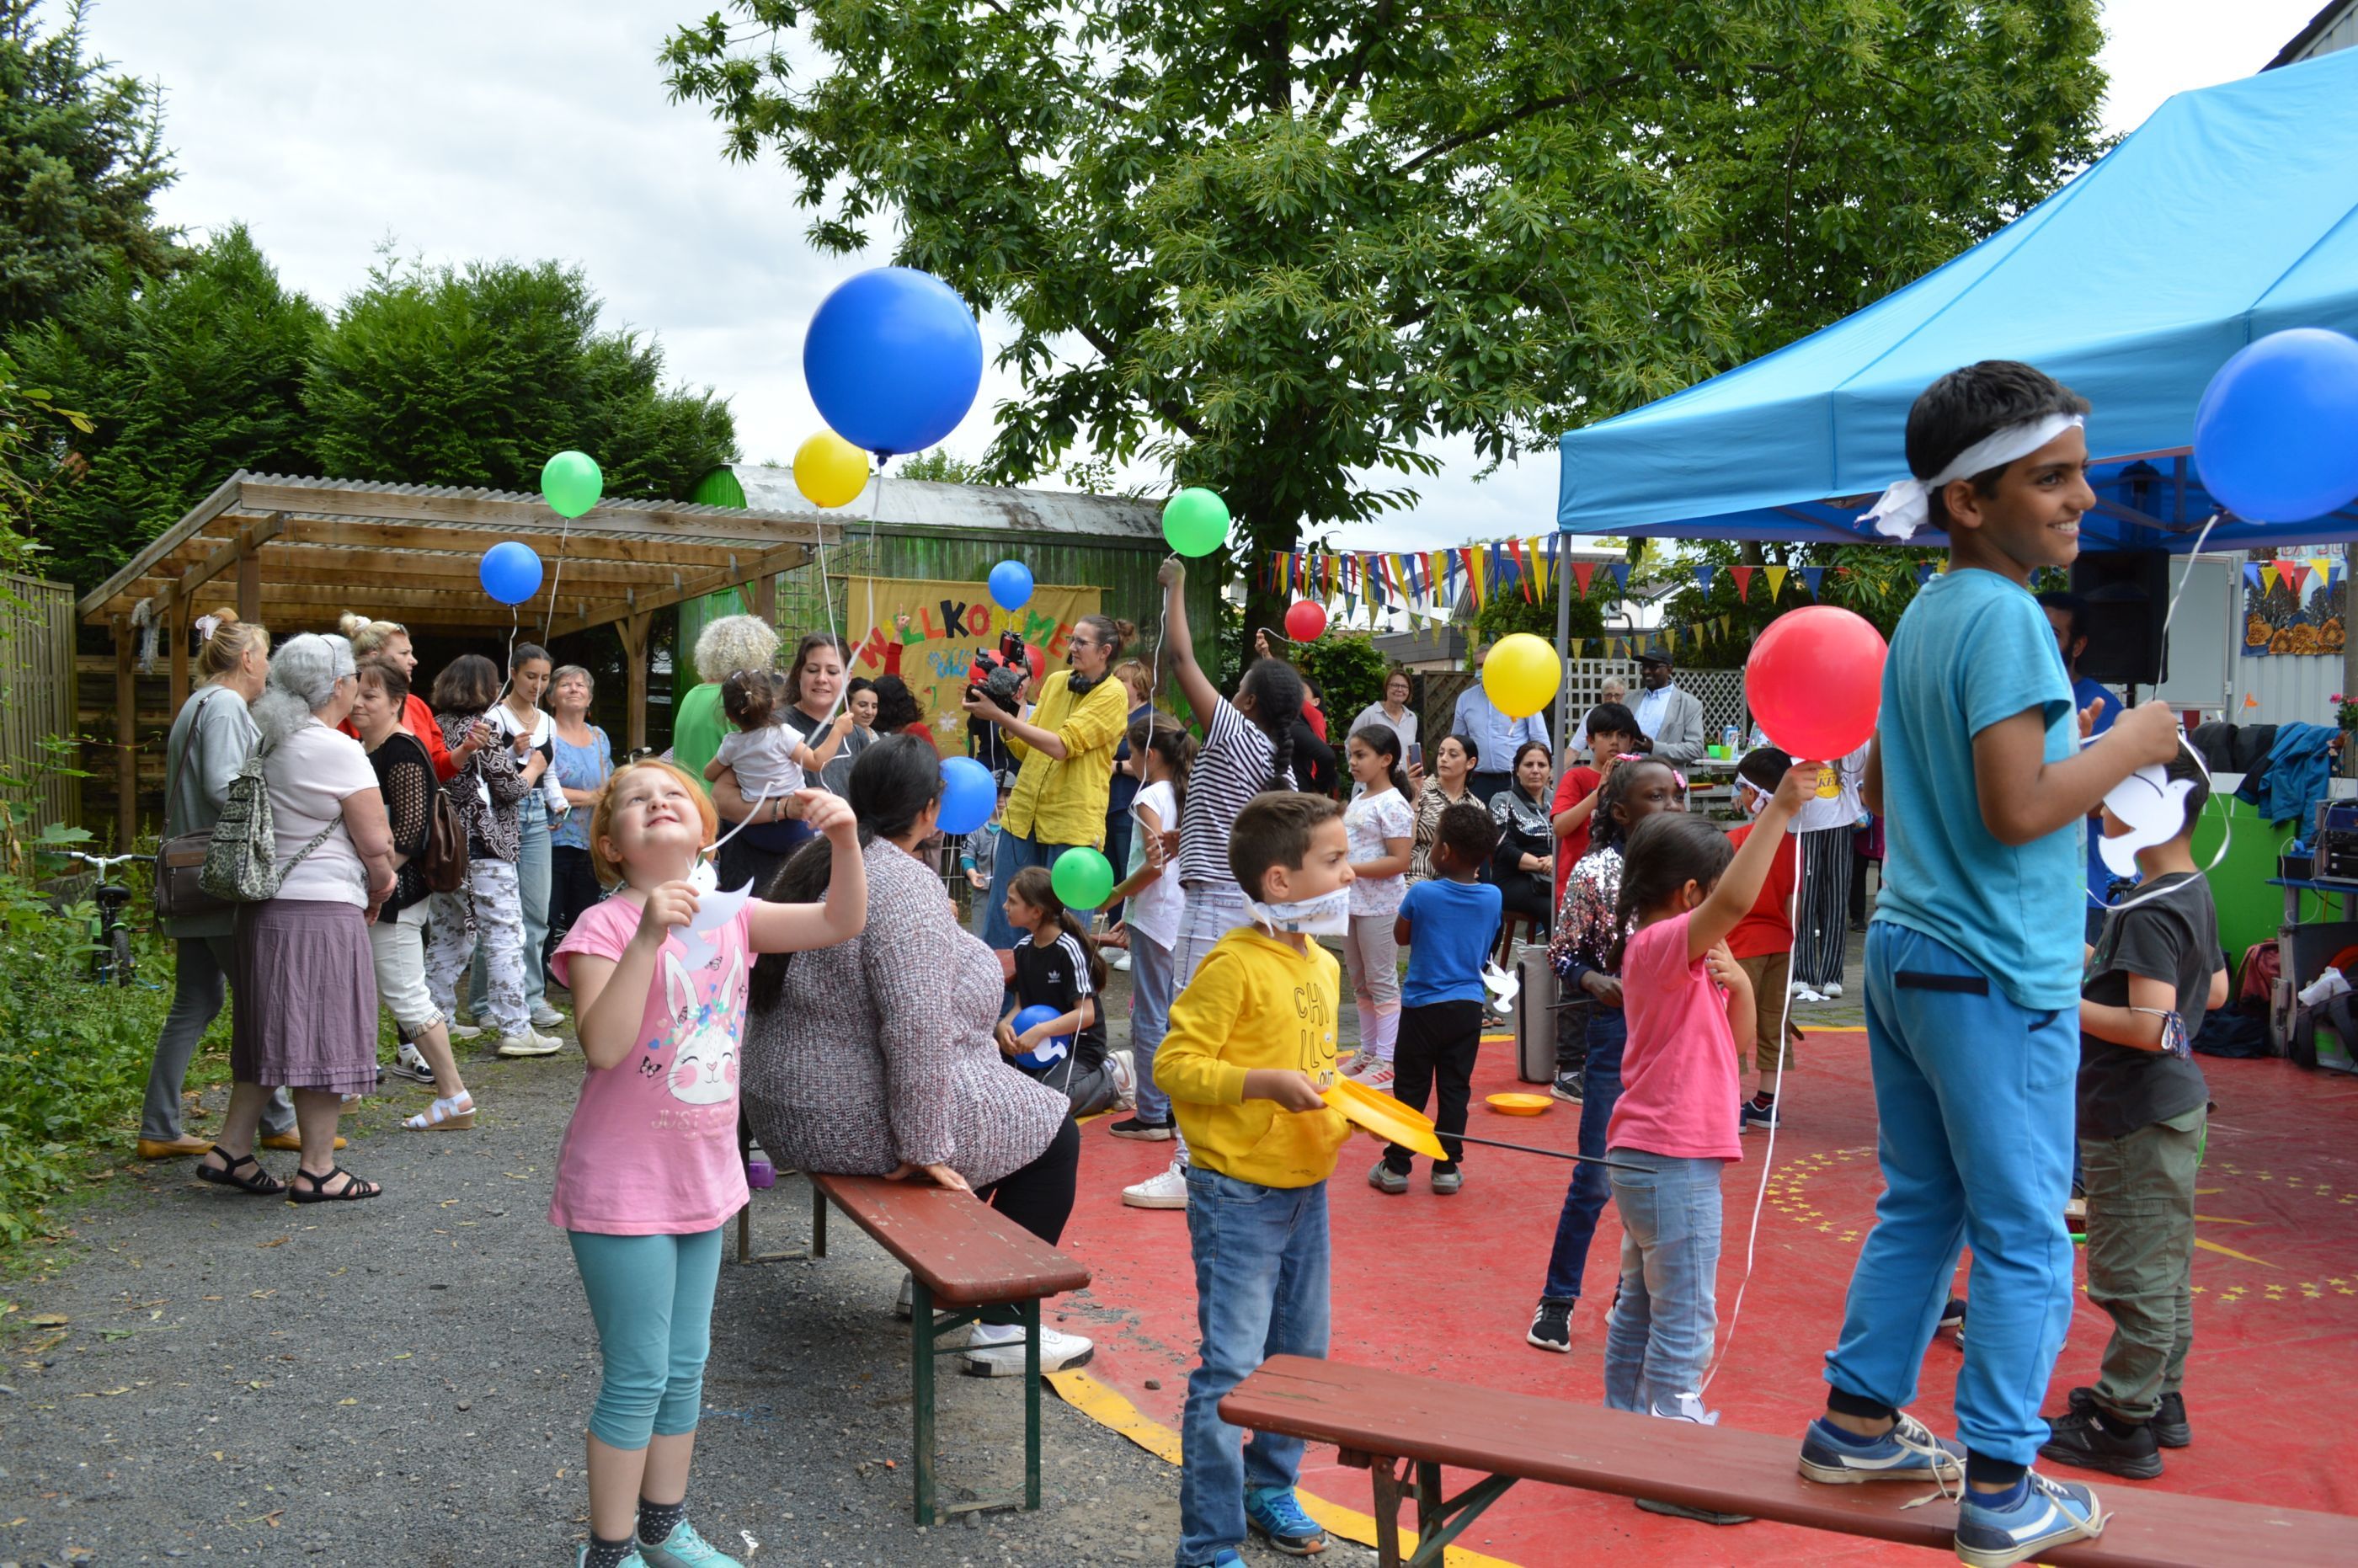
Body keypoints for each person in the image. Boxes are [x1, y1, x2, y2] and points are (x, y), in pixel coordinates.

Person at [1801, 360, 2179, 1567]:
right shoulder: (2013, 618)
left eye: (2079, 475)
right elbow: (2020, 807)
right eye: (2051, 479)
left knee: (1923, 1197)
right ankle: (2005, 1486)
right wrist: (2125, 740)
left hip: (1911, 953)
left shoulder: (1928, 615)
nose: (2081, 500)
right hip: (1993, 974)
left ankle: (1858, 1418)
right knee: (2024, 1229)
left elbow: (1877, 786)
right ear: (1969, 500)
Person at [549, 760, 867, 1568]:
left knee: (685, 1366)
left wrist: (845, 837)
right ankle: (608, 1552)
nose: (657, 804)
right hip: (621, 1188)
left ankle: (663, 1531)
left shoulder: (734, 915)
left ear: (703, 831)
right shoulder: (604, 929)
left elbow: (840, 922)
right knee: (637, 1374)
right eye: (634, 801)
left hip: (704, 1179)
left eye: (674, 799)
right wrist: (652, 932)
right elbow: (606, 1046)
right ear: (613, 845)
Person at [739, 735, 1097, 1376]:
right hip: (841, 1113)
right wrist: (925, 1147)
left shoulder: (818, 860)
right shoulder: (903, 884)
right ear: (932, 809)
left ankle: (937, 1282)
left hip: (783, 1099)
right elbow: (916, 1028)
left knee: (997, 1111)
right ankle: (1003, 1329)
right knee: (1053, 1132)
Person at [1156, 792, 1357, 1568]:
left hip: (1309, 1186)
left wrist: (1348, 1102)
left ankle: (1271, 1485)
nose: (1349, 873)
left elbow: (1316, 1066)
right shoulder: (1233, 962)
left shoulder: (1324, 963)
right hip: (1237, 1194)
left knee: (1299, 1360)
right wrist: (1264, 1085)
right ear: (1280, 882)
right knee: (1231, 1370)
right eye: (1333, 862)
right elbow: (1175, 1066)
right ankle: (1207, 1543)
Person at [1600, 771, 1807, 1431]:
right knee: (1686, 1312)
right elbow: (1741, 899)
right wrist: (1778, 808)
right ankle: (1673, 1446)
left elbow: (1734, 1047)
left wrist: (1742, 986)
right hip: (1671, 1159)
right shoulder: (1662, 944)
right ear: (1692, 894)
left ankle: (1627, 1427)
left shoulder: (1688, 960)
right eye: (1712, 894)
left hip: (1658, 1156)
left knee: (1643, 1302)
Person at [2037, 749, 2223, 1481]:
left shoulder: (2149, 908)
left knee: (2131, 1275)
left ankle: (2122, 1422)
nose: (2097, 807)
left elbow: (2155, 1026)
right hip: (2174, 1109)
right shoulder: (2187, 890)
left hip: (2136, 1113)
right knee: (2165, 1265)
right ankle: (2159, 1399)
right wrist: (2095, 957)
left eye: (2110, 795)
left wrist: (2062, 1003)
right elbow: (2210, 991)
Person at [1126, 557, 1304, 1211]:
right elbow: (1252, 835)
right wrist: (1189, 837)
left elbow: (1179, 660)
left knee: (1192, 1033)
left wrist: (1174, 586)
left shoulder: (1235, 734)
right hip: (1253, 908)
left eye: (1239, 686)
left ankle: (1187, 1164)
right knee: (1233, 1034)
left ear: (1249, 700)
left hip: (1212, 909)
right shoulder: (1279, 769)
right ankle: (1220, 1153)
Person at [194, 634, 393, 1205]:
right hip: (321, 912)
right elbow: (376, 839)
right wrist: (382, 881)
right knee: (324, 1036)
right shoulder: (337, 749)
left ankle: (231, 1148)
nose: (357, 684)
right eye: (353, 675)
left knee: (271, 1031)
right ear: (337, 685)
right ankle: (319, 1168)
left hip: (267, 908)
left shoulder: (270, 740)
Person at [1528, 756, 1685, 1352]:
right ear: (1620, 812)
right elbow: (1562, 954)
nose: (1670, 806)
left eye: (1674, 795)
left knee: (1662, 1174)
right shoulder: (1596, 872)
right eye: (1654, 797)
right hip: (1616, 1034)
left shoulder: (1689, 870)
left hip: (1675, 1035)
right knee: (1596, 1173)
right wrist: (1596, 981)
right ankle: (1557, 1297)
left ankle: (1634, 1302)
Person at [142, 609, 298, 1159]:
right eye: (266, 658)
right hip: (223, 876)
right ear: (248, 658)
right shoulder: (229, 704)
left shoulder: (199, 701)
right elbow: (221, 785)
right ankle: (276, 1120)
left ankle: (159, 1127)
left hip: (192, 875)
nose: (269, 672)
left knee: (196, 1000)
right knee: (261, 999)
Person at [966, 611, 1134, 969]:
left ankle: (1064, 1017)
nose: (1071, 647)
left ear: (1105, 651)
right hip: (1023, 816)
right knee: (1006, 922)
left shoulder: (1114, 694)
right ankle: (998, 1015)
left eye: (1080, 642)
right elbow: (1026, 748)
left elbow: (1061, 745)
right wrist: (1012, 712)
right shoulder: (1058, 682)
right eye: (1072, 639)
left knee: (1064, 932)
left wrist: (1001, 716)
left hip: (1072, 825)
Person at [350, 659, 477, 1131]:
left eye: (372, 696)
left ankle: (453, 1096)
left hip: (397, 894)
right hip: (382, 892)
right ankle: (344, 1088)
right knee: (372, 987)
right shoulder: (369, 748)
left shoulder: (401, 750)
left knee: (407, 995)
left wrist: (378, 886)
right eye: (357, 693)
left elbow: (410, 833)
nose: (360, 703)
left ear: (397, 702)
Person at [425, 654, 561, 1059]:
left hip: (447, 850)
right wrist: (536, 764)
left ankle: (437, 1019)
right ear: (487, 687)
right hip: (487, 847)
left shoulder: (437, 726)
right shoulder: (478, 730)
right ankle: (515, 1028)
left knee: (451, 935)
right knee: (505, 934)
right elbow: (512, 790)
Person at [1372, 803, 1501, 1197]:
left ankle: (1396, 1167)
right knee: (1455, 1088)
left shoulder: (1422, 893)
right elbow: (1488, 943)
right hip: (1467, 1007)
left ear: (1443, 851)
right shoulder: (1493, 896)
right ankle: (1447, 1167)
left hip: (1422, 1006)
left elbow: (1401, 936)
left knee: (1410, 1088)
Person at [707, 630, 857, 893]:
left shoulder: (855, 734)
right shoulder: (770, 727)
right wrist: (785, 808)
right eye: (813, 669)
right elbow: (721, 798)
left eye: (833, 671)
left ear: (848, 678)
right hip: (763, 882)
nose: (822, 678)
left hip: (826, 884)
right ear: (798, 673)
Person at [1106, 714, 1192, 1141]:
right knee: (1173, 1013)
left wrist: (1115, 895)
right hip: (1176, 916)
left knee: (1150, 1016)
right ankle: (1173, 1106)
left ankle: (1154, 1113)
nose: (1129, 760)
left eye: (1132, 753)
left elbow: (1154, 863)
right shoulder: (1184, 791)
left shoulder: (1150, 796)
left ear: (1150, 755)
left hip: (1157, 920)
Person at [472, 643, 564, 1032]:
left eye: (544, 678)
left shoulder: (547, 721)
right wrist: (512, 751)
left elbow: (549, 771)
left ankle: (531, 997)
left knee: (536, 913)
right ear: (513, 672)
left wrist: (558, 804)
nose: (537, 685)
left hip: (536, 812)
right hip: (501, 815)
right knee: (497, 913)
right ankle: (483, 1002)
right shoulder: (494, 717)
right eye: (531, 676)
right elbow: (486, 774)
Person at [997, 866, 1127, 1117]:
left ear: (1036, 911)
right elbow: (1019, 1005)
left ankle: (1111, 1076)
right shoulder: (1023, 949)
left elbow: (1086, 1015)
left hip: (1079, 1048)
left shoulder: (1067, 949)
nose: (1005, 906)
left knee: (1048, 1105)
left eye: (1012, 901)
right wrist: (1004, 1027)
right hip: (1036, 1045)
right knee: (1005, 1094)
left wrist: (1041, 1031)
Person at [2040, 591, 2128, 941]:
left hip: (2076, 887)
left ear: (2078, 647)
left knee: (2073, 993)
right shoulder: (2011, 696)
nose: (2041, 642)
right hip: (2013, 882)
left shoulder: (2101, 707)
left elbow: (2100, 806)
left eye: (2054, 634)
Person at [1726, 746, 1803, 1133]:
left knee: (1732, 1022)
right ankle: (1766, 1102)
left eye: (1742, 788)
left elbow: (1722, 900)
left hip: (1740, 944)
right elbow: (1795, 906)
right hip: (1781, 943)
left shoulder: (1734, 841)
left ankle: (1729, 1104)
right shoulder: (1794, 847)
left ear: (1755, 796)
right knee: (1775, 1021)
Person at [1336, 723, 1414, 1088]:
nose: (1353, 762)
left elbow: (1400, 860)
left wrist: (1349, 868)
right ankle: (1368, 1052)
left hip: (1380, 906)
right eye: (1351, 755)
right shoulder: (1361, 798)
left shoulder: (1394, 803)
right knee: (1360, 981)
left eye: (1361, 755)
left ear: (1386, 760)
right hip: (1353, 902)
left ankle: (1387, 1059)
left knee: (1381, 980)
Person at [335, 613, 466, 781]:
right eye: (404, 653)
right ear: (375, 658)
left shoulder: (416, 705)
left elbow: (434, 767)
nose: (414, 661)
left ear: (396, 703)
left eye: (370, 697)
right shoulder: (344, 707)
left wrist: (466, 749)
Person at [547, 664, 614, 962]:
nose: (574, 689)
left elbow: (609, 783)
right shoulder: (544, 733)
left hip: (590, 841)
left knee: (583, 915)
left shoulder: (599, 736)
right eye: (565, 684)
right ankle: (537, 983)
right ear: (551, 697)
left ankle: (577, 976)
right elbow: (542, 786)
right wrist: (590, 797)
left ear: (589, 699)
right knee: (546, 916)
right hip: (552, 840)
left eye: (581, 685)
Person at [1550, 701, 1640, 910]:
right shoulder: (1577, 777)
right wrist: (1600, 792)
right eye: (1606, 735)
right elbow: (1560, 827)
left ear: (1632, 741)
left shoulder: (1639, 779)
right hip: (1580, 886)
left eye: (1622, 736)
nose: (1614, 742)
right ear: (1590, 741)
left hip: (1628, 883)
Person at [1102, 658, 1157, 946]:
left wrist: (1117, 767)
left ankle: (1131, 938)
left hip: (1131, 806)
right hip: (1106, 805)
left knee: (1130, 872)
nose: (1115, 685)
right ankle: (1113, 936)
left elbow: (1155, 765)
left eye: (1121, 681)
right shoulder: (1113, 715)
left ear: (1138, 686)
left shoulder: (1149, 718)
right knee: (1109, 870)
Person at [1452, 644, 1548, 803]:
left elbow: (1539, 738)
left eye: (1487, 664)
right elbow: (1458, 742)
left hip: (1515, 779)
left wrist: (1544, 773)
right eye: (1479, 665)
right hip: (1479, 781)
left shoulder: (1521, 695)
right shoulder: (1465, 699)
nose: (1482, 669)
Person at [1489, 740, 1557, 943]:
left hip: (1552, 875)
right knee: (1551, 906)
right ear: (1517, 770)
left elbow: (1569, 841)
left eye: (1542, 765)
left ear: (1550, 770)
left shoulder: (1558, 800)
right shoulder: (1502, 801)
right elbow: (1502, 848)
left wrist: (1555, 859)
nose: (1535, 771)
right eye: (1528, 765)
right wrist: (1543, 865)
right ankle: (1558, 965)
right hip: (1514, 878)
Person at [1406, 734, 1477, 883]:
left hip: (1456, 880)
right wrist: (1414, 796)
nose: (1444, 759)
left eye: (1453, 755)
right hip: (1417, 874)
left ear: (1470, 763)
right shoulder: (1420, 790)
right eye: (1441, 753)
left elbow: (1475, 853)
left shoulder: (1475, 805)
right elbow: (1406, 842)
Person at [1628, 650, 1708, 765]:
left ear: (1669, 669)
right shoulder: (1629, 700)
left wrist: (1654, 748)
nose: (1646, 671)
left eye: (1654, 667)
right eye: (1644, 667)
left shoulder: (1689, 704)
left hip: (1667, 779)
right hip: (1629, 777)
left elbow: (1695, 748)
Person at [819, 677, 878, 795]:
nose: (870, 712)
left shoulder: (883, 739)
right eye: (863, 705)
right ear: (847, 705)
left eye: (874, 706)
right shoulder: (832, 738)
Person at [1351, 666, 1421, 767]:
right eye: (1395, 685)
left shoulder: (1411, 718)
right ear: (1387, 687)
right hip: (1373, 781)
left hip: (1401, 781)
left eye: (1404, 686)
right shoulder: (1371, 714)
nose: (1400, 689)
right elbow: (1350, 743)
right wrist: (1358, 770)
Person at [1566, 678, 1630, 758]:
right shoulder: (1592, 715)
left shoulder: (1630, 716)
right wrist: (1556, 770)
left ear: (1624, 696)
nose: (1613, 700)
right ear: (1602, 697)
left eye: (1617, 696)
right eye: (1608, 695)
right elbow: (1574, 750)